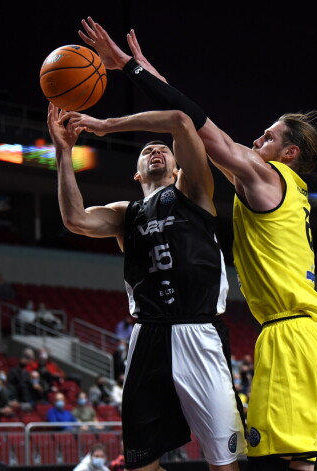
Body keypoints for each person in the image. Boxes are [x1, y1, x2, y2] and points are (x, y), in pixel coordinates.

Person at [78, 18, 317, 470]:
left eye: (268, 136)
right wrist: (139, 67)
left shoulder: (266, 176)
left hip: (292, 332)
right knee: (277, 460)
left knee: (286, 465)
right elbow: (192, 123)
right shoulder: (275, 183)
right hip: (288, 332)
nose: (255, 140)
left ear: (288, 153)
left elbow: (190, 120)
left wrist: (129, 73)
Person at [49, 102, 246, 471]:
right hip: (148, 335)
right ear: (137, 175)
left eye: (163, 150)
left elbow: (180, 120)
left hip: (199, 330)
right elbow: (75, 220)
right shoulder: (128, 213)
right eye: (145, 151)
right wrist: (63, 152)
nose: (155, 151)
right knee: (141, 463)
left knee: (224, 461)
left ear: (177, 168)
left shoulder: (193, 191)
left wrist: (105, 126)